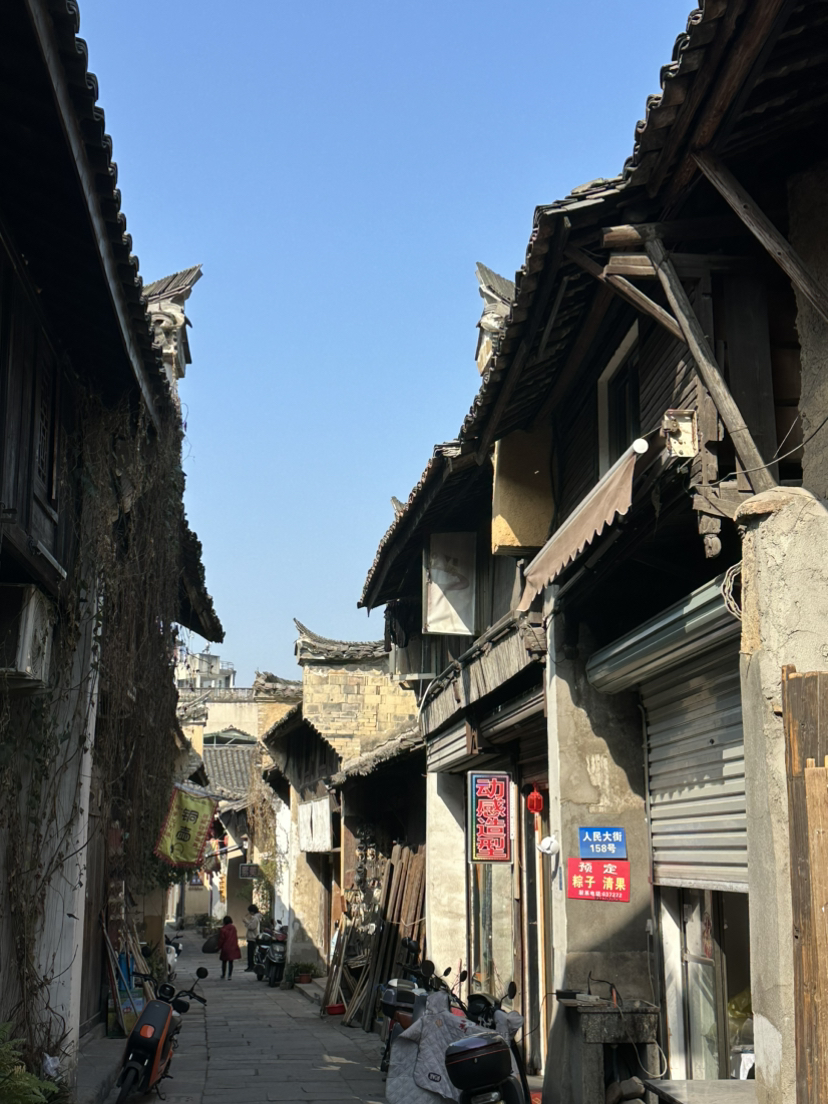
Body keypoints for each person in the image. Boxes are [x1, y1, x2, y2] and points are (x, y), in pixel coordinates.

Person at [242, 904, 262, 971]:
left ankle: (251, 966)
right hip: (253, 937)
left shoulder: (255, 918)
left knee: (251, 954)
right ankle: (250, 966)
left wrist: (246, 922)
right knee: (250, 953)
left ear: (252, 911)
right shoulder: (256, 917)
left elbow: (252, 927)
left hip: (252, 937)